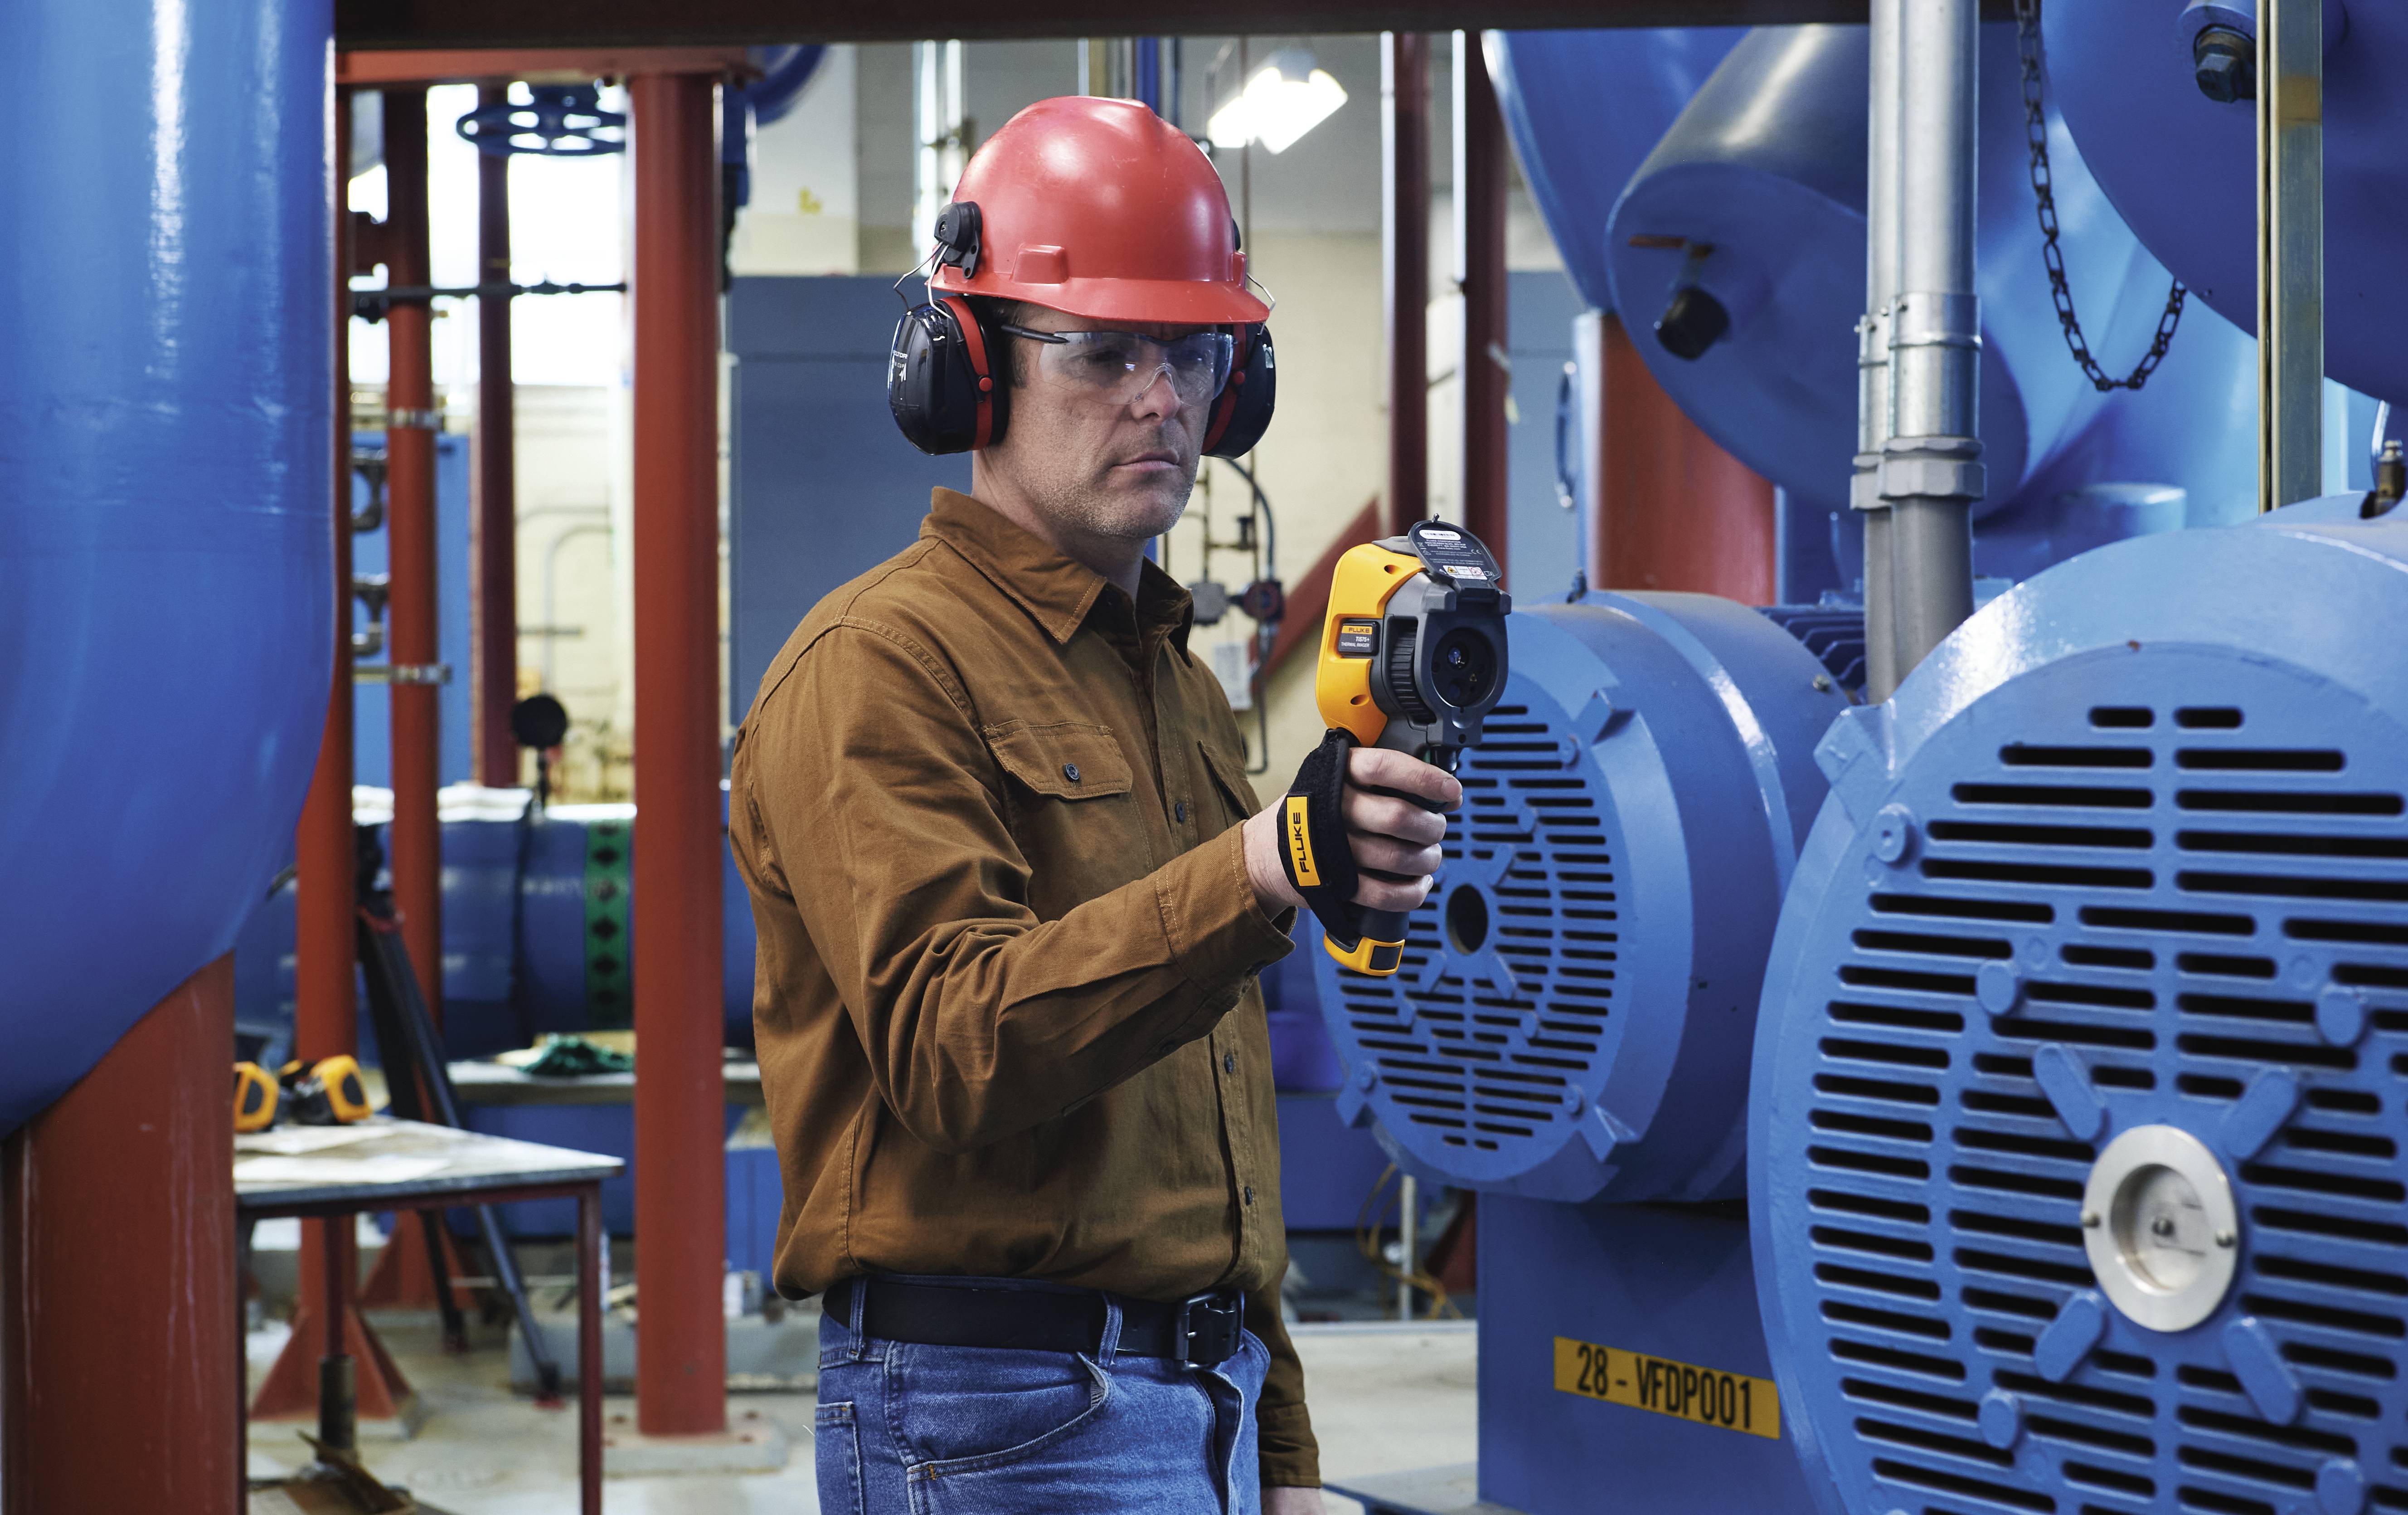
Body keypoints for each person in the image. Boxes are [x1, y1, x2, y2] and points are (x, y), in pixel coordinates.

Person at [729, 95, 1457, 1515]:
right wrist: (1260, 866)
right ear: (969, 371)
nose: (1160, 398)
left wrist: (1285, 1449)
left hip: (1207, 1398)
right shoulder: (877, 664)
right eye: (1102, 351)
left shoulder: (1173, 687)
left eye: (1192, 353)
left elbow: (1214, 1119)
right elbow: (950, 1048)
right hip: (993, 1417)